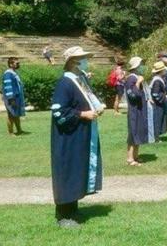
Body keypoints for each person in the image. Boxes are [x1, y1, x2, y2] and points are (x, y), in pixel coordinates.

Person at [50, 46, 104, 228]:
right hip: (68, 138)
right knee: (67, 170)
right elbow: (59, 112)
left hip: (79, 135)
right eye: (81, 58)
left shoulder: (78, 80)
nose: (85, 61)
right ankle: (63, 215)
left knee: (76, 170)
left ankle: (73, 210)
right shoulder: (65, 83)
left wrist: (95, 110)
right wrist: (83, 115)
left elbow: (86, 100)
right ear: (72, 62)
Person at [125, 56, 154, 166]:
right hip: (134, 111)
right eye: (141, 64)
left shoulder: (136, 77)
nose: (142, 66)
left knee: (138, 133)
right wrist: (138, 83)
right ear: (136, 66)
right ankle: (130, 158)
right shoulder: (131, 79)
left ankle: (135, 156)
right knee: (133, 134)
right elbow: (133, 95)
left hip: (139, 110)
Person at [2, 57, 26, 135]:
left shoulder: (13, 73)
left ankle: (19, 130)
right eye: (17, 63)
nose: (18, 65)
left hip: (16, 97)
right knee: (11, 115)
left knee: (16, 114)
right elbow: (8, 87)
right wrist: (11, 98)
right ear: (11, 64)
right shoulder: (8, 74)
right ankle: (10, 132)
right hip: (11, 98)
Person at [150, 60, 167, 140]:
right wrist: (165, 97)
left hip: (159, 104)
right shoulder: (157, 81)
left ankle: (158, 136)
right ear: (161, 71)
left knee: (160, 119)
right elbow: (155, 94)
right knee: (157, 120)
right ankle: (156, 137)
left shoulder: (158, 79)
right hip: (157, 105)